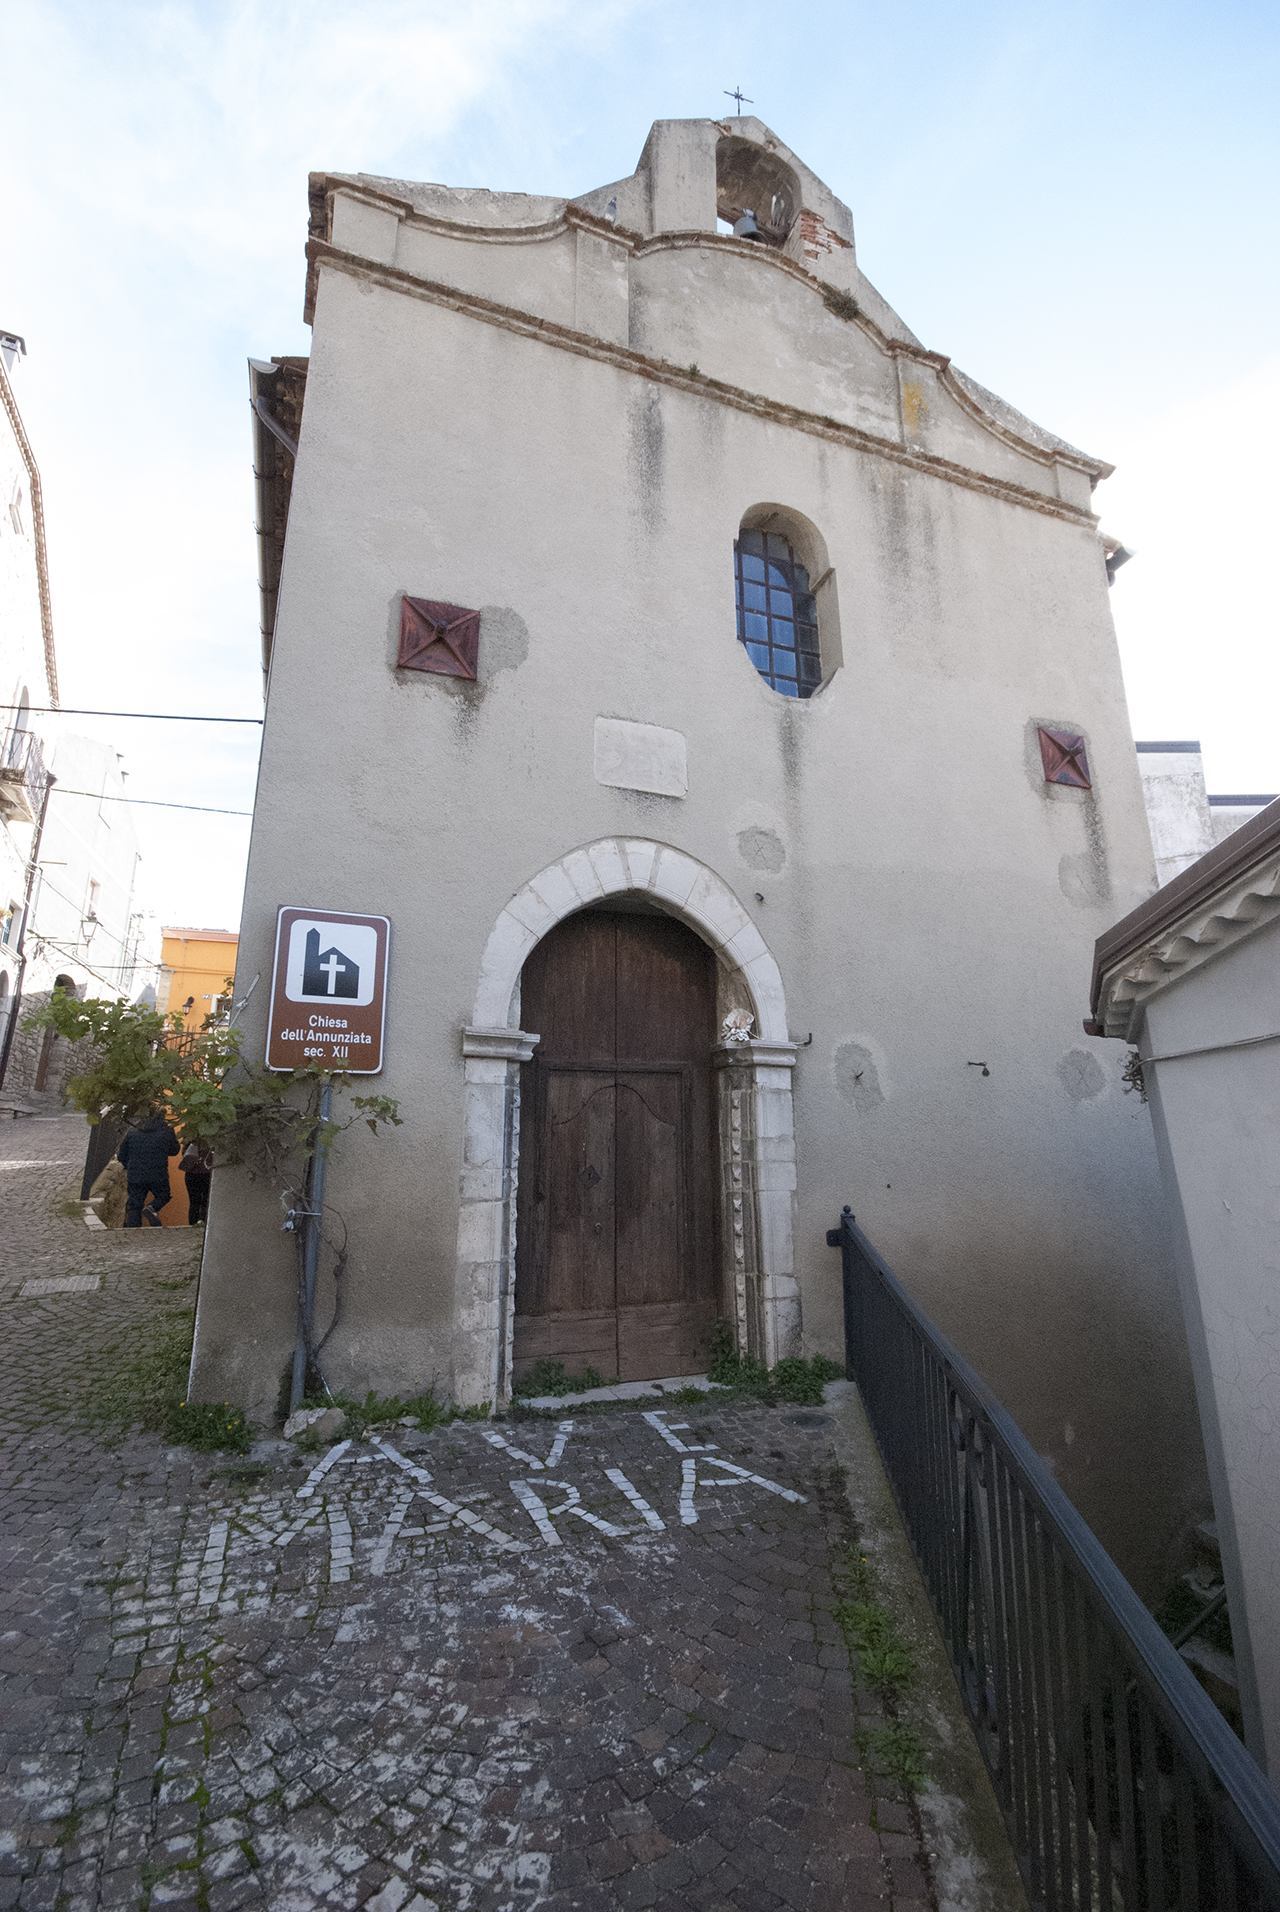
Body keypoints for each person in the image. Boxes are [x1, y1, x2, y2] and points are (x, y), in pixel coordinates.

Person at [118, 1109, 180, 1228]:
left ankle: (133, 1231)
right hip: (158, 1173)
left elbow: (122, 1155)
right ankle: (152, 1208)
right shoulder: (166, 1131)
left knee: (134, 1205)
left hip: (135, 1174)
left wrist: (129, 1167)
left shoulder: (132, 1131)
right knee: (163, 1196)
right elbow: (174, 1151)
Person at [179, 1139, 214, 1226]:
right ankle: (203, 1220)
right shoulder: (212, 1140)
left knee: (194, 1201)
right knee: (206, 1199)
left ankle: (192, 1223)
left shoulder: (191, 1138)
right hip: (207, 1173)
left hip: (191, 1173)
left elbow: (184, 1154)